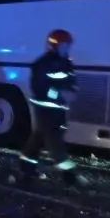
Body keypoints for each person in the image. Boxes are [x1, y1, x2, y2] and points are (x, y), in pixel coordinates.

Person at [19, 29, 88, 186]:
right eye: (64, 45)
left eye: (68, 45)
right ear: (54, 46)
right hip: (45, 109)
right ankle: (70, 175)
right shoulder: (41, 63)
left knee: (38, 138)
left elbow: (71, 83)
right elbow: (38, 86)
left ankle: (26, 165)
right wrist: (59, 94)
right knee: (54, 141)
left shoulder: (67, 63)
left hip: (59, 110)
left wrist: (72, 93)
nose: (67, 48)